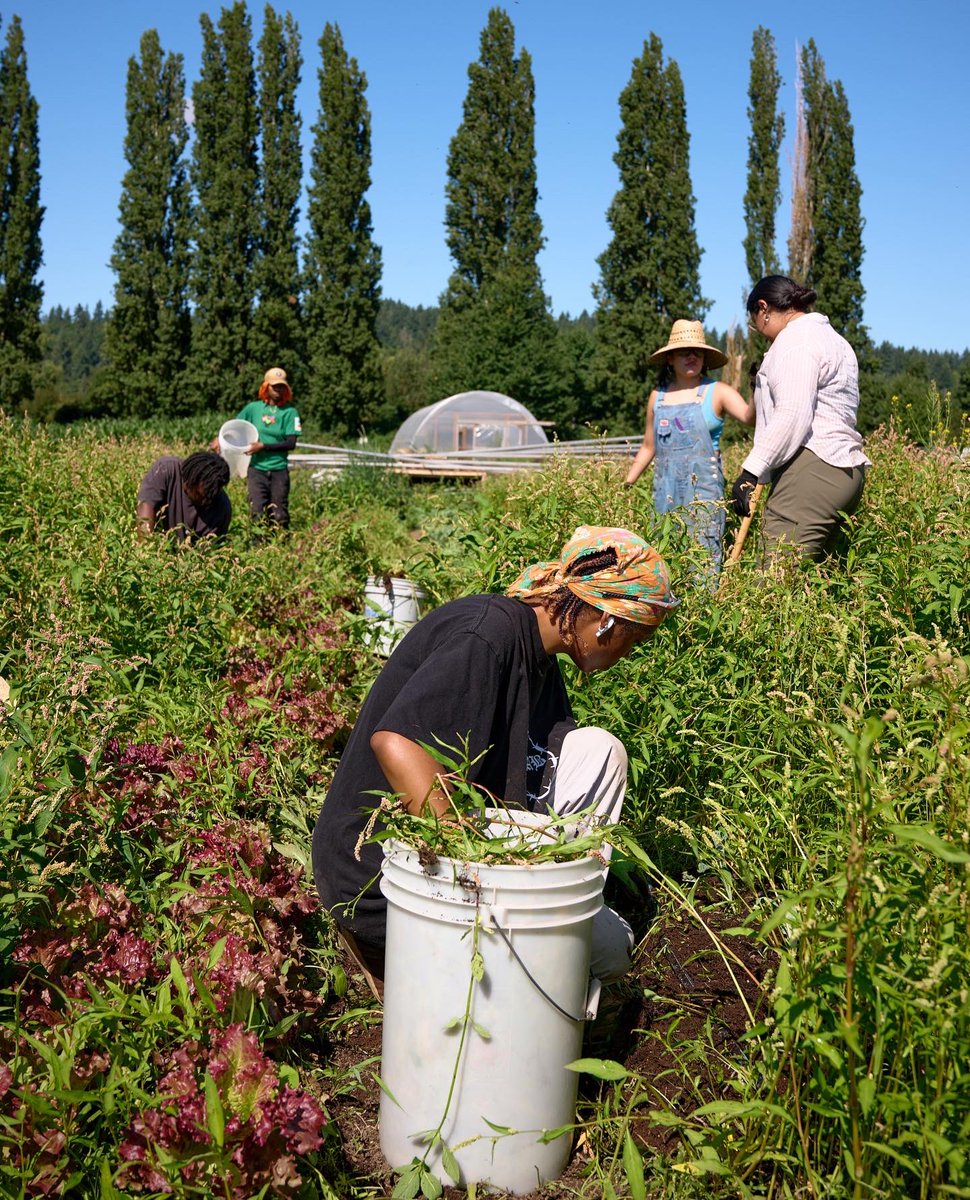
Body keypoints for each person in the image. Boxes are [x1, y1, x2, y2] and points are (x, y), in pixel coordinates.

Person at [312, 525, 679, 995]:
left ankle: (551, 907)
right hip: (376, 876)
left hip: (438, 858)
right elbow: (397, 744)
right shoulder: (486, 636)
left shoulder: (538, 654)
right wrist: (474, 870)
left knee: (601, 757)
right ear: (605, 619)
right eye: (635, 637)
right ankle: (418, 962)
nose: (630, 652)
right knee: (597, 953)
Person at [730, 276, 870, 560]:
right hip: (845, 473)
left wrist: (751, 472)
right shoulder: (834, 339)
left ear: (763, 308)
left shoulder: (794, 341)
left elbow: (793, 414)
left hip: (812, 469)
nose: (761, 333)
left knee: (775, 579)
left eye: (755, 322)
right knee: (816, 582)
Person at [625, 320, 753, 574]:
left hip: (703, 493)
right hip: (664, 492)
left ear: (705, 357)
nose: (692, 356)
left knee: (704, 554)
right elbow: (648, 446)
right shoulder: (657, 397)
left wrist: (757, 387)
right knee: (663, 554)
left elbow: (750, 418)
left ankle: (703, 608)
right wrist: (626, 483)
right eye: (684, 352)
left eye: (697, 351)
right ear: (670, 358)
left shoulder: (717, 392)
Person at [220, 367, 301, 529]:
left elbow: (290, 443)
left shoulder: (290, 413)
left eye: (281, 386)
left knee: (279, 515)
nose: (278, 390)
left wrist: (263, 446)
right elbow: (234, 427)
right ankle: (258, 549)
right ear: (266, 387)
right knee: (257, 512)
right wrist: (219, 438)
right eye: (274, 386)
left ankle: (281, 547)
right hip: (257, 469)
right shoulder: (253, 408)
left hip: (278, 470)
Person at [136, 451, 231, 543]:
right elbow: (146, 507)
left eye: (207, 496)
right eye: (200, 494)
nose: (205, 501)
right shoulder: (166, 469)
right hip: (157, 547)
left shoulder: (221, 510)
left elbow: (208, 554)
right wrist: (145, 550)